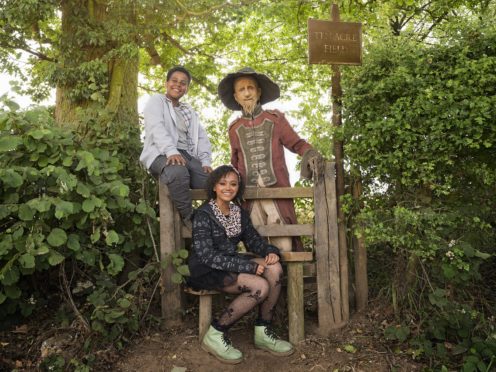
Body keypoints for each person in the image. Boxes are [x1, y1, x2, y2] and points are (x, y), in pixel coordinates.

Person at [187, 165, 294, 364]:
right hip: (207, 268)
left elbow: (252, 240)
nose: (228, 188)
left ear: (238, 187)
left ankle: (263, 331)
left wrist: (270, 251)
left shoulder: (238, 212)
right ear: (214, 187)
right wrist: (248, 267)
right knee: (260, 286)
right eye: (223, 183)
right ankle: (216, 333)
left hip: (230, 262)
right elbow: (206, 255)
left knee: (275, 268)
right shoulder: (203, 214)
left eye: (233, 184)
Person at [218, 67, 321, 251]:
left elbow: (297, 144)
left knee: (284, 244)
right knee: (257, 244)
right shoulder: (234, 128)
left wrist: (311, 153)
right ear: (236, 97)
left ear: (258, 92)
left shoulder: (275, 119)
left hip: (276, 191)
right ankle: (269, 280)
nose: (247, 93)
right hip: (249, 196)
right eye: (242, 89)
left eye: (251, 88)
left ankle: (287, 280)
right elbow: (234, 163)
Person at [140, 66, 213, 227]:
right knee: (177, 172)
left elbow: (201, 137)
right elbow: (156, 127)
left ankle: (206, 218)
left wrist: (205, 161)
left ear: (186, 88)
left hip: (186, 154)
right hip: (160, 152)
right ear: (166, 83)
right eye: (174, 81)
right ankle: (190, 220)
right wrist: (170, 151)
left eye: (183, 83)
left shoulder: (189, 111)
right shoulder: (157, 101)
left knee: (215, 182)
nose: (178, 85)